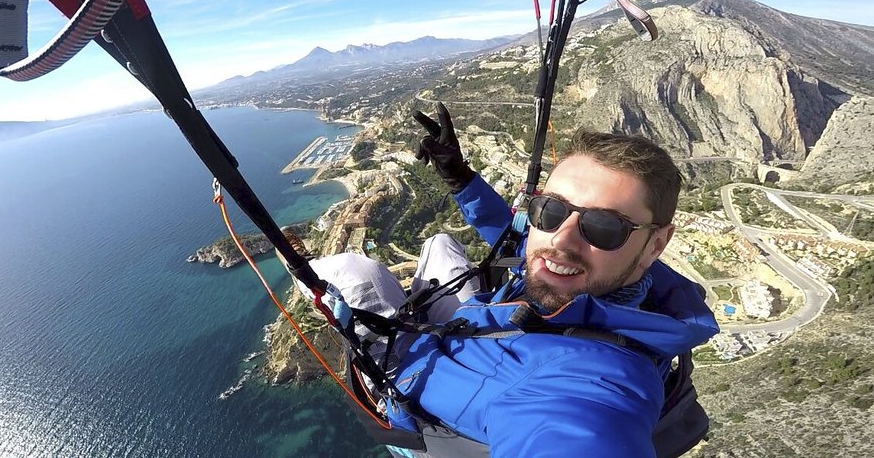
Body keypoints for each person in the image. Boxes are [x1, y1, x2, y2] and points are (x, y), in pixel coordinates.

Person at [291, 103, 719, 457]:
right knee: (440, 242)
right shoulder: (627, 273)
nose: (561, 240)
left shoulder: (599, 382)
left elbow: (581, 432)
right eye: (550, 210)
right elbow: (516, 234)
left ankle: (305, 266)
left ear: (656, 243)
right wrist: (460, 178)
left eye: (604, 226)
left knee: (352, 271)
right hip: (478, 325)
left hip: (407, 369)